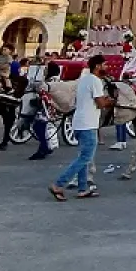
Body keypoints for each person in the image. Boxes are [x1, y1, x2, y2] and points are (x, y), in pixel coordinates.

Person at [50, 55, 111, 200]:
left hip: (79, 122)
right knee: (85, 157)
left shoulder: (84, 79)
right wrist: (109, 101)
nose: (107, 67)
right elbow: (100, 103)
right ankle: (59, 184)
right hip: (88, 123)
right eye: (105, 65)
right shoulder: (96, 81)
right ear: (97, 66)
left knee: (83, 156)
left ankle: (82, 188)